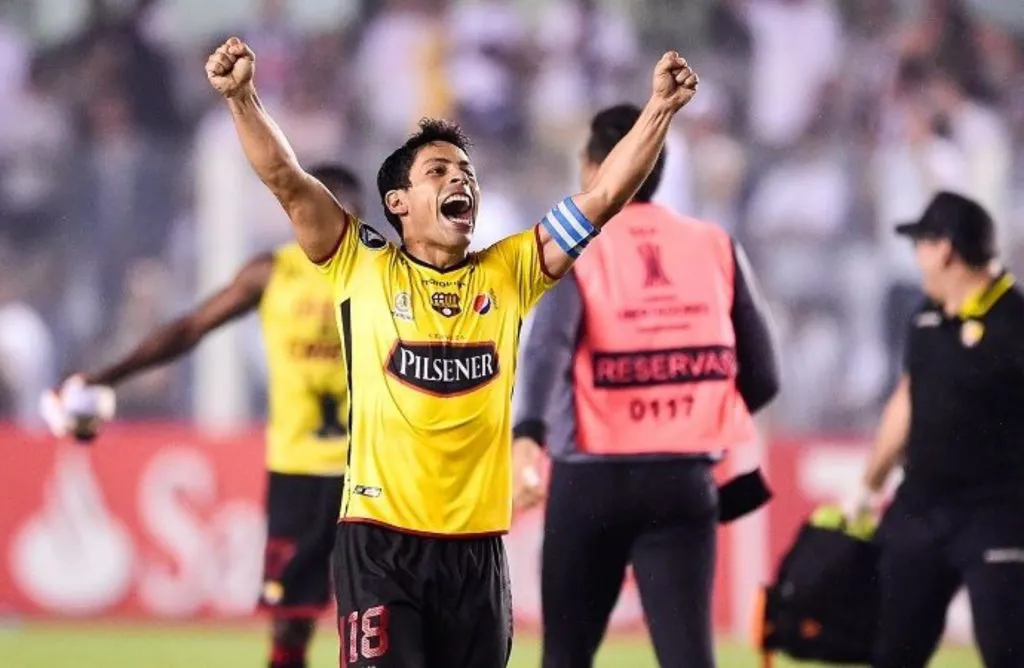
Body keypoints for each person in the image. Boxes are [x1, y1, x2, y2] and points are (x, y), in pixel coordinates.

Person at [204, 36, 699, 668]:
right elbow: (287, 180)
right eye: (437, 171)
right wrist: (242, 98)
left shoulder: (512, 269)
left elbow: (602, 199)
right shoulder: (360, 263)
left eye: (465, 172)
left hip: (477, 553)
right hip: (379, 542)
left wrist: (660, 108)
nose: (458, 178)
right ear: (397, 204)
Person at [53, 164, 364, 668]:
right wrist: (109, 374)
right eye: (323, 209)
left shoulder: (378, 273)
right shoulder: (273, 272)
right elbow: (192, 327)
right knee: (292, 615)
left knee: (376, 616)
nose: (334, 221)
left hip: (371, 471)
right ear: (299, 214)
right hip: (299, 468)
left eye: (346, 211)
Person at [513, 103, 779, 668]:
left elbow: (545, 351)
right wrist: (690, 415)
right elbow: (763, 377)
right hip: (682, 480)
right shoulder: (714, 244)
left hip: (590, 479)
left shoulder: (574, 246)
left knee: (565, 657)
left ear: (591, 168)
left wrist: (530, 434)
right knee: (688, 658)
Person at [851, 191, 1024, 668]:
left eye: (921, 244)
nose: (918, 258)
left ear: (945, 249)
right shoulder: (924, 320)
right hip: (921, 512)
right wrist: (868, 488)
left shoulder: (1017, 321)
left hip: (1000, 516)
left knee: (1009, 654)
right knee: (889, 655)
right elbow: (906, 401)